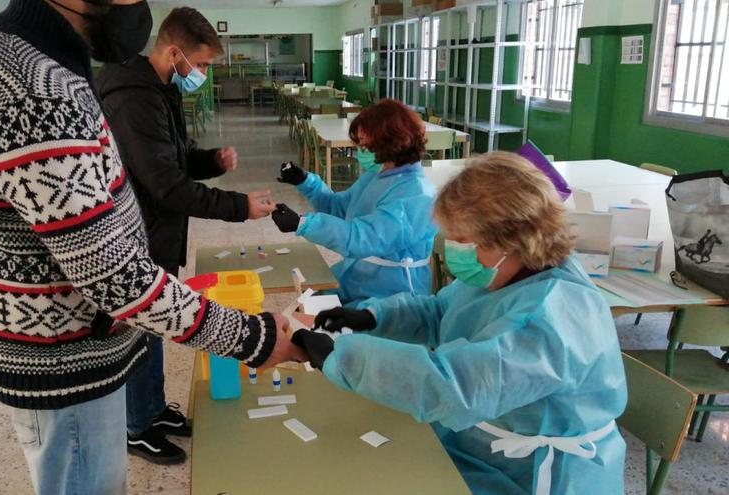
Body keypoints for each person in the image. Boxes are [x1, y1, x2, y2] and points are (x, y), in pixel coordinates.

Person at [0, 1, 303, 493]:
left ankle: (147, 413)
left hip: (66, 342)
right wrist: (252, 338)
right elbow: (113, 275)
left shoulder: (27, 60)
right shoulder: (36, 92)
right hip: (64, 359)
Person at [291, 152, 627, 495]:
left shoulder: (551, 317)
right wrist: (373, 316)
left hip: (541, 474)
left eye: (464, 241)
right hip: (486, 442)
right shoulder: (504, 272)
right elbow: (441, 313)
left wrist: (342, 357)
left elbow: (454, 386)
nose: (454, 251)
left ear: (512, 239)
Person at [96, 7, 276, 464]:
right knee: (138, 328)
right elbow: (166, 186)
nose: (203, 73)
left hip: (158, 230)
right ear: (174, 51)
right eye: (202, 64)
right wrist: (240, 207)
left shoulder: (160, 89)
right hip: (135, 232)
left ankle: (152, 410)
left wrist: (211, 160)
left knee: (151, 325)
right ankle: (136, 426)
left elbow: (174, 158)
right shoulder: (132, 98)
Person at [271, 99, 437, 306]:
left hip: (392, 293)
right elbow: (340, 209)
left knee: (315, 325)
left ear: (391, 142)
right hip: (359, 277)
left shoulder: (417, 195)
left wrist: (303, 224)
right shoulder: (378, 175)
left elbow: (364, 239)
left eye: (366, 145)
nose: (362, 150)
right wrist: (306, 182)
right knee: (305, 311)